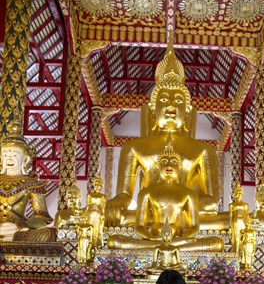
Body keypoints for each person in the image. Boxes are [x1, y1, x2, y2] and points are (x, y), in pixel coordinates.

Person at [105, 33, 229, 232]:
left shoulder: (203, 150)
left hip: (186, 216)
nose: (171, 104)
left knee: (233, 219)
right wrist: (116, 203)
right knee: (101, 217)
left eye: (178, 101)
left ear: (187, 112)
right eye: (164, 99)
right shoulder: (134, 148)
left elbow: (212, 201)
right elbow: (124, 195)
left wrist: (179, 208)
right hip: (147, 216)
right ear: (153, 110)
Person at [0, 120, 53, 240]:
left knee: (48, 234)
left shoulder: (33, 184)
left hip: (17, 230)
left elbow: (42, 217)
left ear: (25, 159)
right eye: (6, 154)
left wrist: (21, 225)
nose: (9, 158)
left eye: (14, 154)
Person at [82, 175, 106, 247]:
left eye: (99, 185)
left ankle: (96, 243)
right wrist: (84, 214)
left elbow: (103, 207)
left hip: (98, 214)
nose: (97, 186)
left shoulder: (103, 196)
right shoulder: (89, 195)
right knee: (89, 228)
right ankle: (89, 243)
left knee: (97, 229)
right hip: (90, 213)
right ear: (94, 185)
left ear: (101, 186)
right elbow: (87, 206)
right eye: (96, 184)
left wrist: (103, 215)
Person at [229, 183, 249, 254]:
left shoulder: (245, 205)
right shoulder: (232, 205)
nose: (239, 194)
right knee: (236, 236)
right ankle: (236, 251)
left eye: (240, 193)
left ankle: (242, 251)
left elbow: (247, 215)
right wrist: (230, 227)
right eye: (237, 193)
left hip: (243, 221)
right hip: (236, 221)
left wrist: (248, 226)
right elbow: (231, 216)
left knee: (243, 237)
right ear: (234, 195)